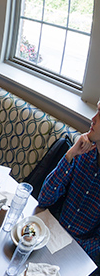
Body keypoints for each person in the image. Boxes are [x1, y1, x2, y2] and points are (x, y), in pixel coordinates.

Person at [39, 101, 100, 265]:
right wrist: (70, 154)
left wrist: (72, 248)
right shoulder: (83, 153)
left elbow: (98, 244)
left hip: (79, 255)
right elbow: (44, 198)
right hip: (53, 231)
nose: (93, 119)